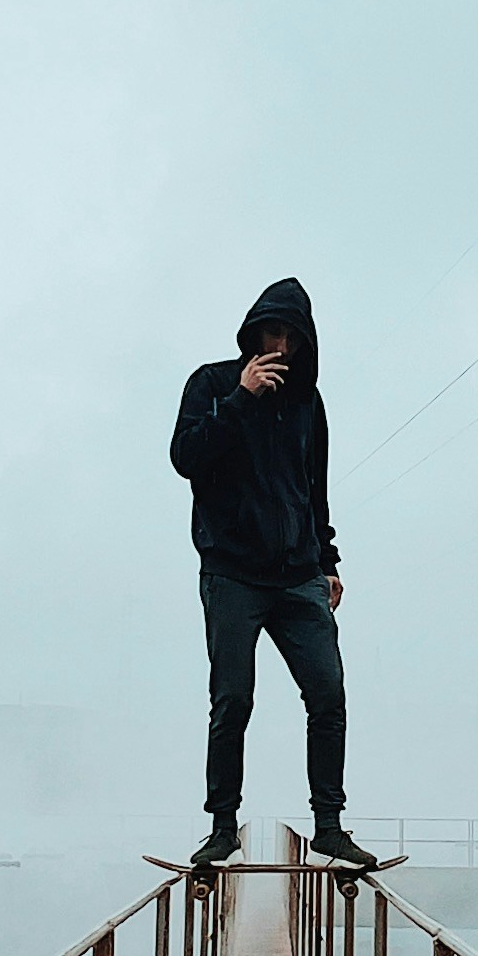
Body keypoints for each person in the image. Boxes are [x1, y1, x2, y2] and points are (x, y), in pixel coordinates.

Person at [169, 277, 377, 872]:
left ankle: (330, 828)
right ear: (253, 331)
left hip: (298, 577)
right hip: (232, 573)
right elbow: (186, 458)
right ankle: (221, 828)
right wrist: (241, 398)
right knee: (233, 699)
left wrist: (328, 564)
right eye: (271, 333)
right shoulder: (210, 384)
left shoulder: (310, 405)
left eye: (291, 336)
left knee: (328, 695)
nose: (280, 346)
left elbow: (316, 492)